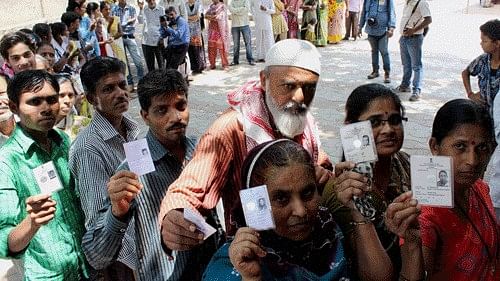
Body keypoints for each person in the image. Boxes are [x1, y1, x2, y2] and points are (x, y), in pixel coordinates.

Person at [159, 39, 333, 251]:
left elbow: (321, 163)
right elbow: (191, 187)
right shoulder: (232, 128)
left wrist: (326, 175)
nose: (299, 97)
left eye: (309, 87)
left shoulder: (304, 122)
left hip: (308, 247)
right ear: (264, 80)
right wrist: (173, 215)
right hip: (253, 253)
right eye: (289, 86)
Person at [81, 68, 222, 280]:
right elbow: (97, 256)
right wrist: (116, 212)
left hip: (213, 270)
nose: (175, 117)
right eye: (161, 110)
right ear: (145, 116)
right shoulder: (131, 172)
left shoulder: (202, 151)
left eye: (180, 106)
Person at [203, 139, 350, 280]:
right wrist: (251, 278)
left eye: (307, 193)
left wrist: (357, 214)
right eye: (281, 199)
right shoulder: (234, 263)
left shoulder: (330, 234)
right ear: (256, 203)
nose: (300, 211)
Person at [323, 83, 425, 280]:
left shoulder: (407, 165)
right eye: (375, 123)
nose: (388, 129)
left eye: (395, 120)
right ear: (352, 129)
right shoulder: (342, 191)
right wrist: (358, 210)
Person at [0, 70, 88, 280]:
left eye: (51, 99)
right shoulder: (7, 162)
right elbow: (6, 242)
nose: (46, 108)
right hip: (48, 275)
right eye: (34, 101)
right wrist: (33, 222)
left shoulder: (62, 142)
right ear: (14, 108)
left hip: (85, 267)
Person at [69, 57, 137, 280]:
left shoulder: (132, 130)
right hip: (125, 260)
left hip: (150, 244)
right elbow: (97, 222)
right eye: (108, 89)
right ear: (91, 98)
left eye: (122, 84)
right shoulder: (88, 148)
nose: (120, 93)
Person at [419, 99, 500, 280]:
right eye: (460, 146)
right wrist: (412, 243)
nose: (472, 160)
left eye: (482, 148)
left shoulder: (479, 188)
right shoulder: (424, 216)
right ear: (435, 146)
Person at [394, 0, 432, 102]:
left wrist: (414, 31)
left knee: (416, 66)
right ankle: (405, 85)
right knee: (406, 64)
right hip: (404, 37)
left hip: (414, 38)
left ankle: (416, 90)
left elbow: (428, 20)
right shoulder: (407, 2)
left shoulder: (422, 2)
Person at [462, 19, 500, 115]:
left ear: (497, 43)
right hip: (484, 115)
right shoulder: (482, 60)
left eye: (484, 41)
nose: (481, 43)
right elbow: (465, 72)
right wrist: (470, 94)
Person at [358, 0, 396, 83]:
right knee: (374, 51)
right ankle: (375, 71)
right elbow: (363, 12)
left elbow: (392, 12)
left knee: (384, 51)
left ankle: (387, 74)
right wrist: (360, 27)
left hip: (383, 30)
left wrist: (391, 27)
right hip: (370, 30)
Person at [112, 0, 145, 90]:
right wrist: (126, 23)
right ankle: (130, 83)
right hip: (119, 38)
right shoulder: (113, 9)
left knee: (137, 61)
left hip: (130, 36)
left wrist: (122, 24)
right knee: (124, 62)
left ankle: (141, 82)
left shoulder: (131, 8)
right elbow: (115, 25)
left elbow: (134, 21)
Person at [54, 74, 90, 140]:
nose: (67, 101)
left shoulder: (85, 124)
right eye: (61, 95)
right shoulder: (39, 127)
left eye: (70, 95)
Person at [101, 1, 130, 82]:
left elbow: (121, 32)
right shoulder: (101, 21)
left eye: (109, 9)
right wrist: (110, 24)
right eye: (106, 9)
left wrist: (113, 37)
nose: (108, 11)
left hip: (118, 46)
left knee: (122, 67)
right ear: (101, 11)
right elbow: (106, 33)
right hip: (108, 48)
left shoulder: (116, 18)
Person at [138, 0, 165, 71]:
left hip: (158, 41)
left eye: (153, 0)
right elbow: (140, 21)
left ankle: (163, 81)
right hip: (147, 41)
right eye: (149, 0)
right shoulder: (144, 9)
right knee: (150, 66)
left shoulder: (161, 9)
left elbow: (164, 25)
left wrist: (162, 37)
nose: (151, 2)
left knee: (161, 65)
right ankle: (153, 81)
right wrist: (140, 9)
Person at [205, 0, 230, 70]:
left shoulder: (222, 6)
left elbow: (219, 17)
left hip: (220, 30)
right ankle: (212, 64)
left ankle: (225, 64)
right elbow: (205, 15)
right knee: (211, 48)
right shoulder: (211, 6)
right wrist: (212, 16)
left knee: (222, 48)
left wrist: (211, 17)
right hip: (212, 30)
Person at [229, 0, 255, 66]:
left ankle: (250, 59)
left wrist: (236, 11)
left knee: (248, 43)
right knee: (236, 45)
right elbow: (231, 10)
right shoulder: (231, 1)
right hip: (235, 25)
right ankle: (235, 61)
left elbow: (246, 9)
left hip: (245, 24)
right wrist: (241, 9)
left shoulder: (246, 0)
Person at [187, 0, 208, 72]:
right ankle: (194, 67)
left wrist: (188, 17)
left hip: (197, 30)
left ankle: (200, 66)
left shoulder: (199, 3)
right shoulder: (185, 4)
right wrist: (193, 17)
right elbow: (183, 16)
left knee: (198, 48)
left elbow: (199, 16)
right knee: (190, 48)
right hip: (188, 30)